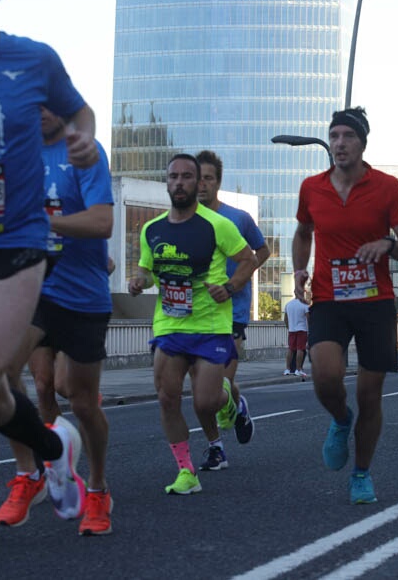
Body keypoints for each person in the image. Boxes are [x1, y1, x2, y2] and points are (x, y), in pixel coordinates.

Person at [0, 0, 100, 573]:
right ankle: (50, 445)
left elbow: (80, 110)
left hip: (13, 243)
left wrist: (83, 139)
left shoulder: (31, 58)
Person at [291, 107, 398, 504]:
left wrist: (389, 244)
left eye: (348, 136)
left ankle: (361, 473)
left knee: (369, 395)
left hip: (376, 302)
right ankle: (340, 419)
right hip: (329, 298)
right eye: (334, 136)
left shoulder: (387, 187)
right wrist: (298, 269)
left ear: (362, 143)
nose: (339, 143)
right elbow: (302, 232)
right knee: (325, 377)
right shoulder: (312, 188)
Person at [0, 107, 114, 535]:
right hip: (31, 288)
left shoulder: (84, 152)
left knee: (82, 401)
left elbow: (103, 221)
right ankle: (31, 474)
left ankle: (98, 488)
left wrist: (45, 223)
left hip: (81, 295)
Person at [129, 154, 258, 494]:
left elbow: (249, 259)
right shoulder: (151, 229)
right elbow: (145, 267)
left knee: (205, 403)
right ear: (166, 182)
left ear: (198, 181)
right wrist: (139, 279)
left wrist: (230, 288)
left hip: (211, 326)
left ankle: (230, 402)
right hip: (170, 325)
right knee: (167, 398)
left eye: (188, 177)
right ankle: (186, 472)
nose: (180, 183)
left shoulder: (217, 225)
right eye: (173, 177)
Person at [196, 150, 270, 448]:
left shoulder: (238, 218)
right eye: (197, 178)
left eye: (208, 179)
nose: (201, 185)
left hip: (233, 311)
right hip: (197, 314)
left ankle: (235, 408)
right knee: (204, 389)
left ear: (218, 182)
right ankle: (216, 446)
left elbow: (261, 252)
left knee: (218, 386)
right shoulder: (186, 220)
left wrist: (238, 280)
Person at [284, 290, 310, 379]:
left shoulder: (288, 304)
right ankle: (298, 369)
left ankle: (287, 369)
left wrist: (289, 327)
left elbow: (285, 319)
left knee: (290, 349)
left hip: (292, 330)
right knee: (300, 349)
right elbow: (308, 319)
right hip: (302, 330)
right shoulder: (305, 305)